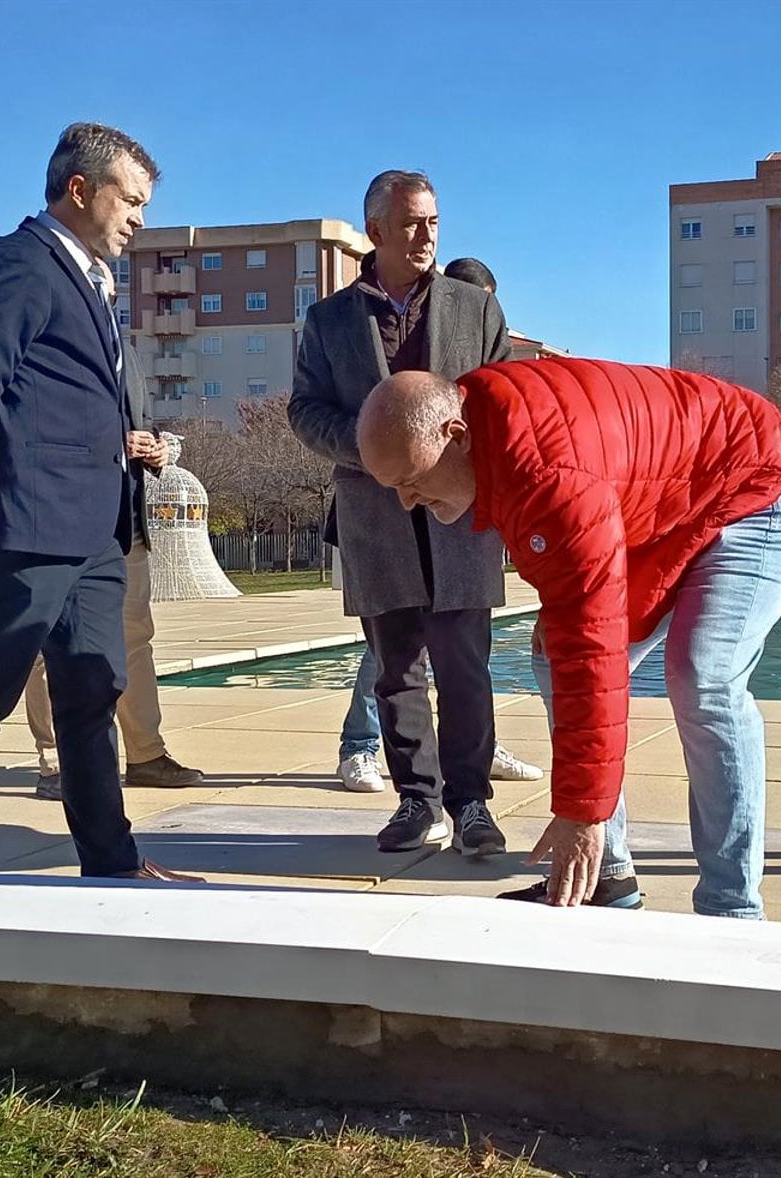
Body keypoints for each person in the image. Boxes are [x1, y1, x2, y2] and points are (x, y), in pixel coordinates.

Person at [356, 358, 781, 916]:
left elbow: (593, 646)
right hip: (667, 508)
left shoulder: (546, 472)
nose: (407, 502)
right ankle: (608, 877)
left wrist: (582, 810)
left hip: (759, 491)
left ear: (456, 435)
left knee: (702, 677)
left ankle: (732, 908)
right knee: (554, 653)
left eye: (411, 480)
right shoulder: (494, 440)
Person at [0, 123, 197, 882]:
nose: (140, 218)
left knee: (91, 693)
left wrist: (128, 443)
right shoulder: (20, 263)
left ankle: (113, 864)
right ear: (80, 189)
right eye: (132, 200)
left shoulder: (92, 278)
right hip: (31, 522)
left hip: (97, 527)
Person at [290, 169, 511, 856]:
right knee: (396, 671)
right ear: (376, 230)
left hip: (460, 515)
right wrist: (372, 446)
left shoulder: (476, 309)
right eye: (413, 222)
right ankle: (419, 801)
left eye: (434, 222)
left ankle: (471, 804)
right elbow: (305, 410)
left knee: (466, 668)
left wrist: (456, 459)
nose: (426, 235)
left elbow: (506, 401)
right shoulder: (329, 321)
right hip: (373, 513)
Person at [23, 279, 203, 801]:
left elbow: (135, 421)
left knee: (134, 640)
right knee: (47, 647)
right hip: (60, 522)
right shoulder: (43, 340)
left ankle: (145, 753)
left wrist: (157, 448)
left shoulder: (126, 349)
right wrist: (110, 440)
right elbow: (35, 421)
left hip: (125, 522)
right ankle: (56, 762)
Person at [326, 496, 540, 793]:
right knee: (389, 652)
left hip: (454, 519)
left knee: (467, 650)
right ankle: (359, 746)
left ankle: (481, 749)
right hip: (384, 512)